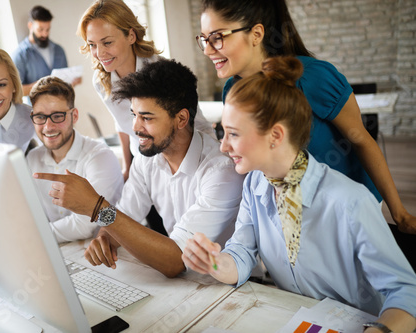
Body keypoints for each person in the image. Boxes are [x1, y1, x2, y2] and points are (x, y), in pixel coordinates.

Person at [183, 56, 416, 333]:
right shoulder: (254, 184)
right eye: (223, 133)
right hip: (297, 321)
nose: (223, 146)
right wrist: (215, 264)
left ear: (275, 135)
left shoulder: (350, 201)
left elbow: (406, 293)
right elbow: (243, 251)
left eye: (233, 134)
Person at [196, 0, 416, 234]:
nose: (208, 50)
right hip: (294, 212)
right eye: (203, 39)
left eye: (217, 37)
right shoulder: (232, 90)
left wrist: (400, 214)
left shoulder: (313, 77)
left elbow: (360, 139)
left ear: (256, 34)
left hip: (347, 211)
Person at [34, 59, 244, 277]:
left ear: (181, 119)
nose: (135, 127)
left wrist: (96, 208)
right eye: (134, 115)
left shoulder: (221, 171)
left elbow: (175, 260)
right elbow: (125, 216)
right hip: (186, 283)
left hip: (232, 289)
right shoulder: (148, 159)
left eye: (146, 117)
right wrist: (105, 238)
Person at [77, 0, 213, 181]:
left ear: (131, 36)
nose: (99, 53)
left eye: (107, 42)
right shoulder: (101, 81)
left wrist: (211, 164)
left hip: (183, 161)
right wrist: (127, 168)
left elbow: (197, 123)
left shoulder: (162, 72)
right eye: (92, 45)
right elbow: (122, 124)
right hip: (144, 162)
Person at [26, 76, 123, 242]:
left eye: (57, 116)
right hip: (61, 251)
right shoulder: (32, 158)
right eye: (40, 117)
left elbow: (86, 224)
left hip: (108, 252)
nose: (48, 127)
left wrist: (35, 237)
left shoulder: (100, 157)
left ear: (74, 116)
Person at [12, 5, 81, 99]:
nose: (45, 34)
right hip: (38, 111)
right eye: (40, 30)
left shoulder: (59, 50)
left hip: (63, 107)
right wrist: (42, 85)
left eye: (47, 29)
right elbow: (16, 90)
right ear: (30, 26)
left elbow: (65, 84)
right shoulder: (20, 55)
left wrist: (72, 82)